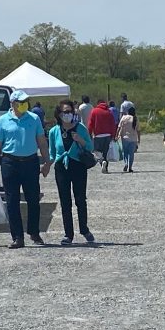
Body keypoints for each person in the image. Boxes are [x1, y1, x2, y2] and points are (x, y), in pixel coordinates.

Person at [0, 89, 49, 248]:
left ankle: (34, 232)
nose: (24, 104)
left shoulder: (34, 118)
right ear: (13, 104)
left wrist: (47, 162)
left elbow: (41, 141)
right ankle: (17, 237)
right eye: (21, 102)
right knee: (12, 201)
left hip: (30, 162)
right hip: (10, 162)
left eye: (25, 102)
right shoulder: (3, 120)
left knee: (33, 199)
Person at [49, 99, 98, 245]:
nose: (68, 114)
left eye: (70, 111)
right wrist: (47, 165)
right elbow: (52, 152)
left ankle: (84, 229)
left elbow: (89, 146)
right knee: (65, 202)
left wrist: (80, 140)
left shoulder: (80, 128)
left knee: (80, 200)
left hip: (78, 166)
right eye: (65, 112)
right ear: (59, 113)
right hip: (61, 167)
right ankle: (68, 234)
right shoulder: (54, 131)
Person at [86, 99, 118, 173]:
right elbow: (112, 124)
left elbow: (90, 123)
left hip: (98, 135)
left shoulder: (94, 111)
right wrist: (113, 135)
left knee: (97, 151)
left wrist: (89, 133)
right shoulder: (109, 112)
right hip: (108, 135)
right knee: (106, 152)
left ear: (98, 104)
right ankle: (105, 168)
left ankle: (102, 161)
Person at [118, 104, 141, 173]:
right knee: (131, 154)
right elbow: (138, 130)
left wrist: (117, 135)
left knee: (125, 152)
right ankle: (130, 167)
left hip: (125, 138)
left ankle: (126, 163)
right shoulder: (135, 119)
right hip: (133, 139)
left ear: (128, 112)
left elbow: (119, 127)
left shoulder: (124, 117)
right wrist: (139, 139)